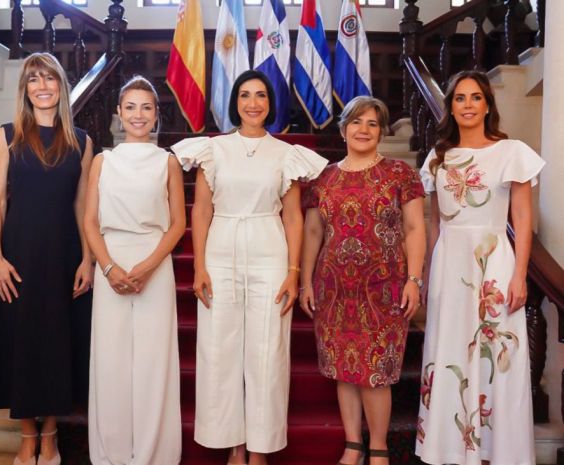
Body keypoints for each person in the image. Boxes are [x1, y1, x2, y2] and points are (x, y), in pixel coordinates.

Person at [171, 70, 327, 465]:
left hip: (268, 249)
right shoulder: (213, 149)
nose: (253, 102)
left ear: (270, 103)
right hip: (221, 247)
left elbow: (293, 216)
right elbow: (201, 209)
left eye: (260, 95)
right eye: (245, 95)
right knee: (218, 350)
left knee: (267, 351)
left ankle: (258, 449)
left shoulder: (286, 152)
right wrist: (200, 267)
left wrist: (293, 272)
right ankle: (233, 446)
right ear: (235, 102)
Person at [415, 70, 545, 465]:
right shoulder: (438, 158)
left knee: (496, 354)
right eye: (459, 98)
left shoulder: (511, 152)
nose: (467, 105)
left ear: (488, 105)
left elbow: (523, 221)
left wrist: (520, 274)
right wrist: (425, 277)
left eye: (475, 98)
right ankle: (451, 450)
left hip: (493, 264)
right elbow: (435, 223)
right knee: (449, 349)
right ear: (450, 107)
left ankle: (496, 453)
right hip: (447, 264)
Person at [0, 52, 94, 465]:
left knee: (58, 346)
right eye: (33, 80)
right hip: (19, 256)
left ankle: (51, 435)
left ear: (61, 86)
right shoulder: (6, 135)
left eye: (49, 79)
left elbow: (82, 205)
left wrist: (88, 260)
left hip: (65, 257)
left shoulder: (83, 140)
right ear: (25, 89)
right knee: (22, 346)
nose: (42, 87)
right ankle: (28, 436)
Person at [299, 96, 426, 465]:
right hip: (334, 288)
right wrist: (306, 281)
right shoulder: (324, 177)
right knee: (345, 367)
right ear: (343, 129)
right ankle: (353, 444)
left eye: (372, 123)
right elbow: (312, 232)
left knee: (376, 371)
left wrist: (414, 279)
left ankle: (379, 448)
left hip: (384, 289)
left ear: (381, 131)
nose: (364, 130)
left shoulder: (400, 174)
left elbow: (416, 227)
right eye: (356, 122)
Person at [84, 76, 185, 465]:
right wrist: (107, 267)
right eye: (131, 107)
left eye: (146, 107)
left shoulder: (168, 162)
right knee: (110, 361)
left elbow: (177, 224)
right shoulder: (102, 161)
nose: (138, 114)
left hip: (154, 260)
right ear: (118, 114)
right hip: (111, 257)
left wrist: (146, 267)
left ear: (156, 115)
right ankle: (110, 454)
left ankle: (152, 455)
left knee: (152, 362)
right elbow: (90, 222)